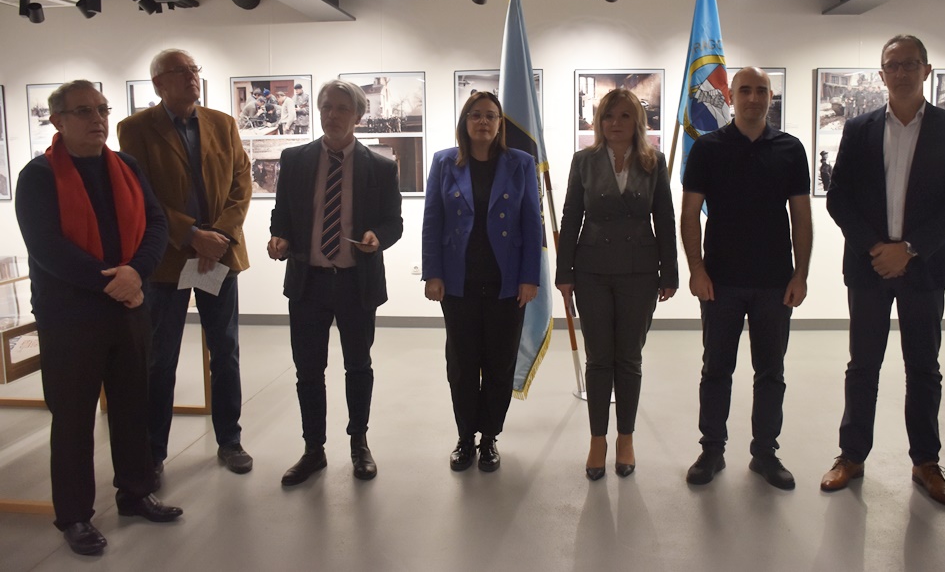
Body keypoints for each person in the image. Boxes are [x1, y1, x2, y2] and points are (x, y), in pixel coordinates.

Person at [15, 80, 182, 556]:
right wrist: (115, 281)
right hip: (71, 317)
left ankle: (135, 491)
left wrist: (137, 272)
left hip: (128, 309)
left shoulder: (125, 166)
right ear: (58, 120)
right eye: (84, 111)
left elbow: (156, 223)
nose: (98, 119)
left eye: (103, 109)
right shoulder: (38, 176)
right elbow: (46, 247)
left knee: (132, 405)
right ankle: (74, 515)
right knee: (73, 418)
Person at [821, 35, 945, 507]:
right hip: (869, 266)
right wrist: (876, 248)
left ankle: (926, 462)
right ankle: (851, 456)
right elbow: (838, 198)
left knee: (923, 368)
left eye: (910, 64)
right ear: (881, 74)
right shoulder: (859, 129)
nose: (902, 72)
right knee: (862, 366)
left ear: (926, 70)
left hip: (923, 268)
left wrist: (908, 250)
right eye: (893, 65)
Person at [117, 49, 255, 477]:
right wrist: (191, 235)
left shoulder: (222, 123)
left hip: (219, 256)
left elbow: (242, 182)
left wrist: (220, 236)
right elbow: (141, 194)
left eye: (194, 70)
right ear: (158, 83)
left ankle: (229, 440)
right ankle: (154, 452)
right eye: (181, 71)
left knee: (225, 351)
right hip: (167, 259)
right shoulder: (136, 129)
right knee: (161, 358)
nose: (192, 77)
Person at [680, 67, 812, 490]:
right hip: (720, 281)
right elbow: (689, 214)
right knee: (716, 369)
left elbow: (802, 217)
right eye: (745, 91)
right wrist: (696, 269)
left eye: (761, 91)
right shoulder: (708, 148)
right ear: (731, 96)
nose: (753, 98)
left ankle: (765, 453)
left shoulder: (790, 149)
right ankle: (711, 450)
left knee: (771, 372)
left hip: (775, 282)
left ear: (771, 96)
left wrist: (801, 274)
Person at [268, 80, 403, 484]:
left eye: (343, 108)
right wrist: (279, 238)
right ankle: (313, 449)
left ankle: (359, 443)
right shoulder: (295, 160)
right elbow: (282, 215)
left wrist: (377, 237)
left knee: (358, 366)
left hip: (355, 282)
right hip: (307, 282)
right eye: (327, 106)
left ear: (358, 115)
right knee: (308, 370)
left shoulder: (380, 167)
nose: (333, 114)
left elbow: (393, 222)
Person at [555, 88, 678, 481]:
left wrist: (670, 272)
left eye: (624, 116)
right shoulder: (584, 161)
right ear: (599, 122)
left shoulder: (653, 161)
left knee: (628, 358)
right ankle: (598, 440)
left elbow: (665, 218)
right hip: (591, 270)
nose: (615, 123)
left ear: (637, 121)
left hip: (640, 271)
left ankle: (626, 438)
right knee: (598, 359)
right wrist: (564, 273)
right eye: (608, 116)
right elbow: (571, 216)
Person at [422, 92, 542, 472]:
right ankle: (465, 437)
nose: (483, 122)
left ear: (500, 123)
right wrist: (433, 273)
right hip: (459, 284)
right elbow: (432, 220)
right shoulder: (444, 162)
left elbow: (532, 223)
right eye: (476, 115)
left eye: (491, 116)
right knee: (461, 365)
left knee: (499, 364)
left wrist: (530, 277)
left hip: (507, 285)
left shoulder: (521, 163)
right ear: (465, 121)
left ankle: (489, 437)